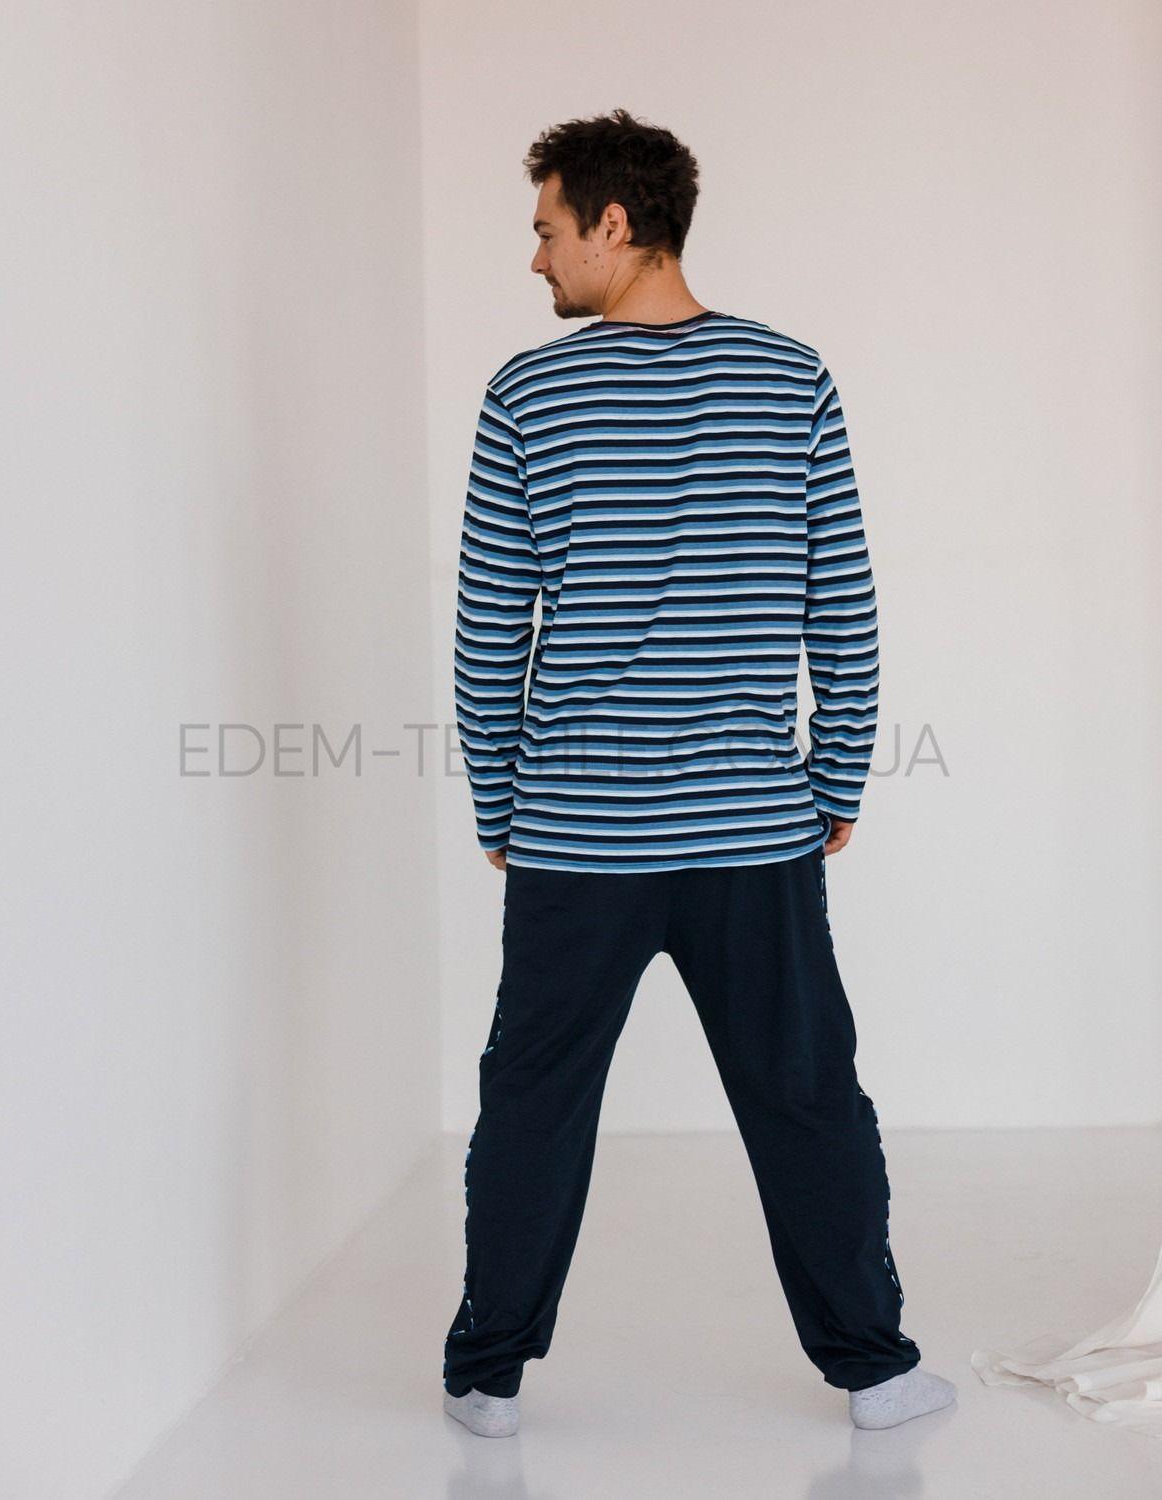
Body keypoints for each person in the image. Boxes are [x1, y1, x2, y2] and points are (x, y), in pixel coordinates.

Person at [442, 107, 956, 1439]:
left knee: (534, 1100)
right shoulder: (791, 378)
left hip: (578, 835)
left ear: (616, 224)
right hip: (753, 831)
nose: (535, 258)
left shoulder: (526, 396)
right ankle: (877, 1373)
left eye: (548, 229)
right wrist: (837, 781)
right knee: (806, 1095)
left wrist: (501, 802)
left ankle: (488, 1378)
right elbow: (840, 605)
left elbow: (490, 629)